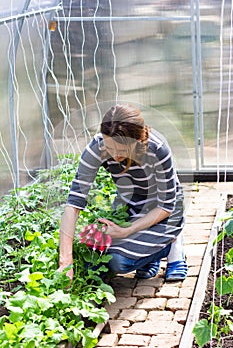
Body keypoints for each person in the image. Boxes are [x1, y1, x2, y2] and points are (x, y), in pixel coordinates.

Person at [59, 104, 188, 282]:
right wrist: (65, 261)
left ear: (137, 141)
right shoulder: (98, 147)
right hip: (131, 206)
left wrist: (127, 231)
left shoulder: (157, 149)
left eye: (121, 150)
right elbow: (74, 202)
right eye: (110, 148)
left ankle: (172, 244)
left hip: (164, 212)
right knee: (94, 257)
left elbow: (166, 205)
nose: (114, 155)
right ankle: (147, 257)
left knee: (118, 262)